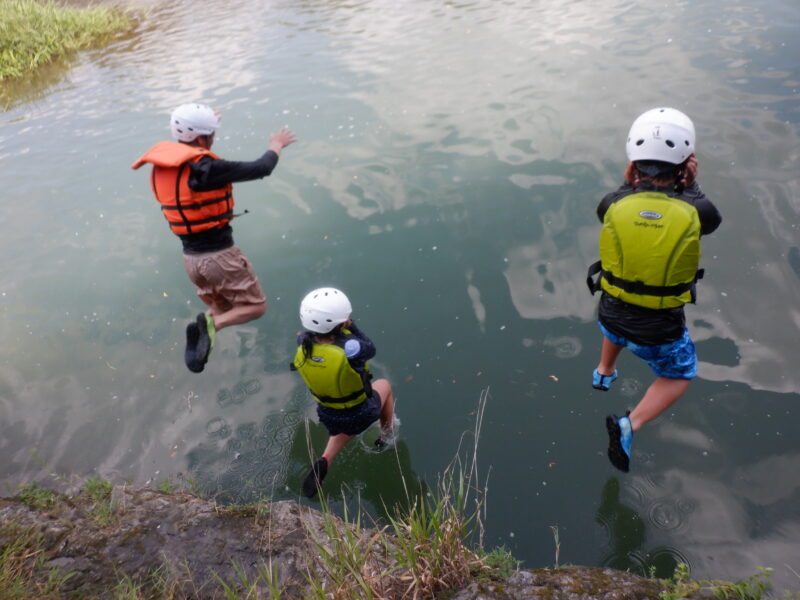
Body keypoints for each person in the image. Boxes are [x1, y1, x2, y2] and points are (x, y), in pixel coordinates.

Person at [586, 107, 722, 472]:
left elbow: (613, 204)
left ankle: (603, 371)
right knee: (678, 374)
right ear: (685, 166)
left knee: (616, 321)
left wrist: (629, 182)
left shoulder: (613, 204)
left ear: (632, 169)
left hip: (610, 312)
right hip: (658, 328)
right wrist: (690, 184)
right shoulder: (695, 210)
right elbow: (711, 219)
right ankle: (632, 424)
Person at [132, 103, 296, 372]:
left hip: (191, 262)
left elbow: (194, 146)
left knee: (223, 307)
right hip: (220, 258)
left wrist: (204, 123)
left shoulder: (165, 165)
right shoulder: (207, 169)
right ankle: (212, 326)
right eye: (212, 133)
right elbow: (261, 167)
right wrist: (277, 144)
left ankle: (204, 330)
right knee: (256, 307)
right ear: (201, 137)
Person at [290, 287, 396, 498]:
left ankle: (325, 459)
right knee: (384, 385)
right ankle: (386, 435)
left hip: (329, 415)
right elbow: (370, 348)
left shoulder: (303, 344)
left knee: (345, 425)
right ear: (341, 322)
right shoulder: (351, 348)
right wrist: (352, 326)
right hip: (362, 412)